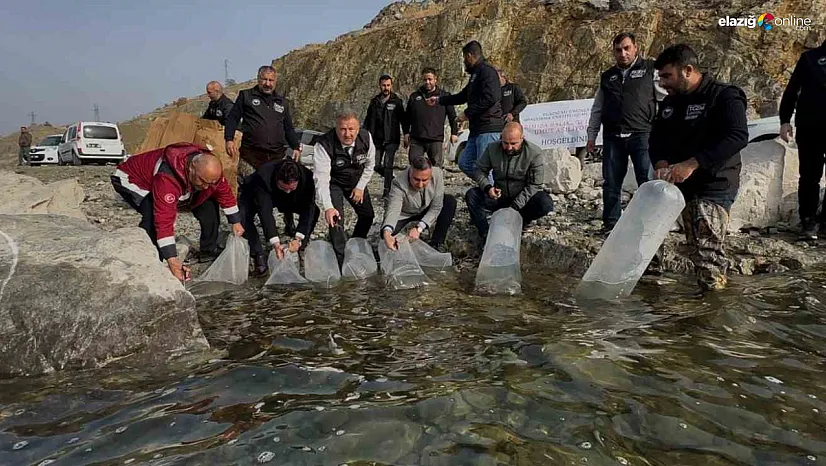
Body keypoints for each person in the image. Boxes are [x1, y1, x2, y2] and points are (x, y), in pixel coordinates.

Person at [649, 44, 748, 292]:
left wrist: (693, 164)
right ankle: (653, 304)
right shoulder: (671, 103)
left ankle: (714, 315)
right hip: (676, 187)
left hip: (713, 185)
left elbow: (737, 136)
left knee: (707, 254)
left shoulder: (724, 96)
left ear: (688, 70)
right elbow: (656, 138)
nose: (662, 83)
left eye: (667, 76)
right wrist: (660, 163)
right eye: (660, 77)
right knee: (651, 241)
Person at [110, 142, 245, 281]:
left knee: (209, 201)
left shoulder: (209, 173)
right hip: (133, 179)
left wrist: (235, 221)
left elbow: (224, 193)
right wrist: (172, 259)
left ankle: (208, 250)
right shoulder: (167, 177)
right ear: (191, 167)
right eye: (203, 181)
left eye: (210, 182)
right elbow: (164, 219)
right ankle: (155, 258)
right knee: (152, 215)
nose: (205, 186)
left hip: (184, 183)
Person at [587, 32, 667, 232]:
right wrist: (591, 136)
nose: (623, 53)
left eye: (626, 48)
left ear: (635, 47)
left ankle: (648, 226)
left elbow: (666, 99)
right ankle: (611, 225)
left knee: (646, 182)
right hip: (613, 137)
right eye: (618, 50)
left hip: (642, 135)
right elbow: (597, 108)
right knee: (611, 183)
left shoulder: (650, 70)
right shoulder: (607, 77)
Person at [426, 40, 503, 178]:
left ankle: (492, 195)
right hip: (477, 129)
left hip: (488, 128)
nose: (464, 62)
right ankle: (486, 188)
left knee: (486, 168)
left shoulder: (487, 72)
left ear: (469, 56)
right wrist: (438, 100)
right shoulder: (475, 75)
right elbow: (462, 96)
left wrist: (466, 113)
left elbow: (491, 98)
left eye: (464, 58)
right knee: (464, 162)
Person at [465, 122, 554, 239]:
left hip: (522, 200)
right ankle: (485, 233)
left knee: (545, 203)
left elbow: (535, 184)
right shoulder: (492, 148)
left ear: (522, 139)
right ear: (501, 138)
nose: (509, 147)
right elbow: (479, 170)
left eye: (513, 143)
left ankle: (522, 221)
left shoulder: (534, 153)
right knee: (472, 195)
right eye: (505, 143)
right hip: (499, 197)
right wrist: (488, 188)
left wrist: (514, 208)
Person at [778, 39, 826, 240]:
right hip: (810, 126)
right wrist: (784, 120)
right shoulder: (810, 58)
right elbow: (792, 90)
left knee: (810, 176)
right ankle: (808, 220)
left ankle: (824, 221)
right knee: (809, 176)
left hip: (813, 125)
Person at [313, 111, 376, 263]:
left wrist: (360, 187)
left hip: (356, 180)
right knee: (336, 219)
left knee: (368, 216)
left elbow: (370, 165)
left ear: (358, 128)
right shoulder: (324, 144)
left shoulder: (366, 137)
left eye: (351, 129)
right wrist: (328, 207)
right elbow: (321, 179)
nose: (347, 134)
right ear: (336, 128)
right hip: (333, 182)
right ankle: (340, 256)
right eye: (343, 129)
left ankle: (356, 242)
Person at [238, 158, 320, 275]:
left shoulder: (308, 178)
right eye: (284, 188)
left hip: (294, 198)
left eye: (291, 188)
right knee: (243, 216)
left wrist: (299, 238)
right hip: (257, 195)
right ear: (277, 180)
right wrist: (275, 242)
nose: (287, 191)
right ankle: (258, 254)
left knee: (315, 211)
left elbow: (309, 208)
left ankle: (300, 246)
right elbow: (265, 212)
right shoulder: (263, 177)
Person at [224, 65, 301, 169]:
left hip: (276, 157)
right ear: (258, 79)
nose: (267, 84)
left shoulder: (282, 102)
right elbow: (232, 119)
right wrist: (229, 139)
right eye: (264, 79)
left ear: (275, 81)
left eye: (271, 80)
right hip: (251, 157)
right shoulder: (246, 96)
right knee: (250, 185)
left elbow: (288, 128)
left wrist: (295, 146)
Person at [382, 155, 457, 251]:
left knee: (449, 201)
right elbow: (393, 209)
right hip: (406, 213)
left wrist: (419, 228)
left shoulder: (437, 174)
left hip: (426, 208)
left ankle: (436, 243)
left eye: (425, 180)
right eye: (416, 179)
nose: (420, 185)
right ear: (410, 173)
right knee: (386, 237)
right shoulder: (398, 183)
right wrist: (387, 232)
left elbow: (436, 206)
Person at [404, 67, 459, 167]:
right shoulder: (414, 96)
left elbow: (452, 116)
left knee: (436, 168)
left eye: (430, 79)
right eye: (425, 79)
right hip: (417, 139)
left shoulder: (444, 96)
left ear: (435, 79)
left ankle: (436, 183)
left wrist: (454, 133)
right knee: (414, 166)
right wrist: (406, 133)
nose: (427, 82)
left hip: (435, 139)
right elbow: (407, 117)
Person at [363, 74, 407, 197]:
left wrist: (407, 134)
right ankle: (393, 179)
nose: (386, 87)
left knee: (388, 165)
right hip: (376, 139)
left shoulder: (396, 101)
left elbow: (403, 120)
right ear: (379, 86)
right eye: (383, 85)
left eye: (388, 85)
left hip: (391, 139)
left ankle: (387, 191)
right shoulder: (374, 102)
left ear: (391, 85)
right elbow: (367, 121)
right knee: (375, 165)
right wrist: (363, 135)